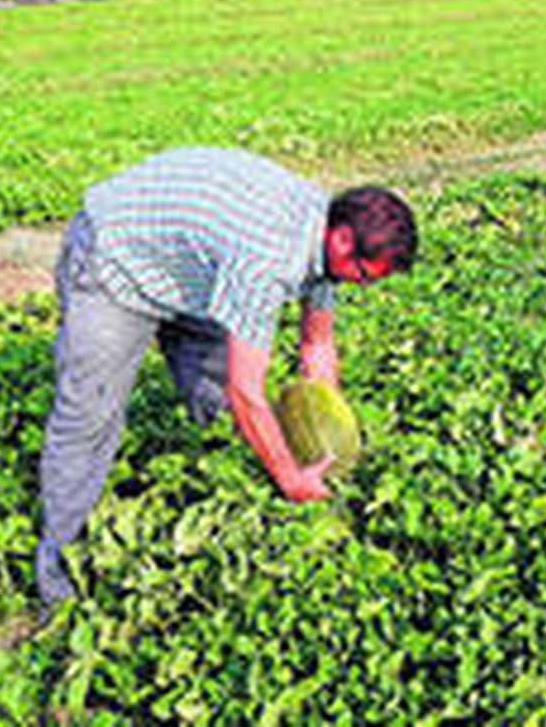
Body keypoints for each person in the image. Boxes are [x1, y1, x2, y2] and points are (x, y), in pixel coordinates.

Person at [35, 147, 417, 607]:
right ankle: (61, 574)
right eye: (362, 274)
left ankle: (222, 504)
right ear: (341, 240)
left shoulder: (323, 235)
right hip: (116, 261)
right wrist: (293, 480)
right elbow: (248, 391)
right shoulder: (267, 259)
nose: (362, 285)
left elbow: (317, 346)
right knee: (89, 421)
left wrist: (329, 445)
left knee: (218, 404)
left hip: (191, 272)